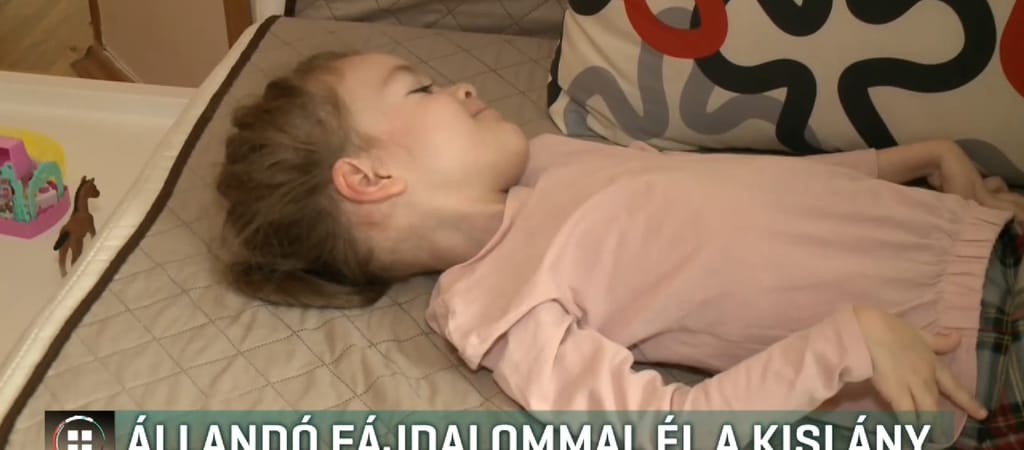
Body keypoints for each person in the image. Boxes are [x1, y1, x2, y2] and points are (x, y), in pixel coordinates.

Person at [214, 50, 1024, 448]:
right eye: (420, 88)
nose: (461, 86)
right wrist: (848, 341)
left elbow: (750, 191)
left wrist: (914, 161)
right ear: (369, 179)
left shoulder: (549, 159)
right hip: (963, 354)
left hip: (978, 233)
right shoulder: (497, 301)